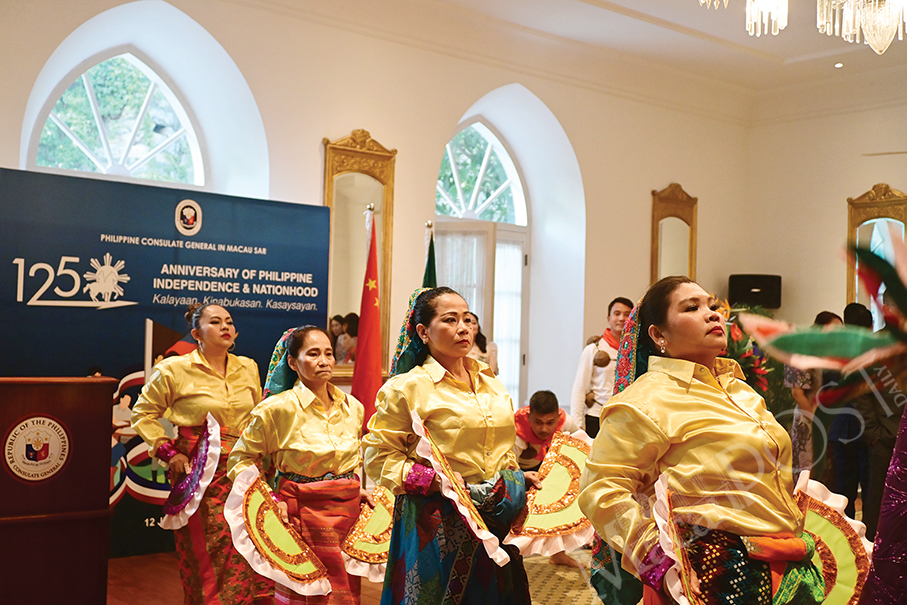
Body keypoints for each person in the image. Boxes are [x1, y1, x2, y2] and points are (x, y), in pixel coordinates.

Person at [578, 277, 824, 605]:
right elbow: (600, 491)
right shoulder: (645, 400)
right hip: (713, 576)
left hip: (785, 566)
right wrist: (657, 559)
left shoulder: (740, 390)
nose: (712, 314)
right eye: (692, 308)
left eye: (712, 305)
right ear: (659, 335)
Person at [362, 287, 538, 605]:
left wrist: (517, 476)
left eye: (467, 319)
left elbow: (500, 446)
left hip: (496, 515)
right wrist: (431, 480)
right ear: (423, 332)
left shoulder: (490, 381)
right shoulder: (408, 387)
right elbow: (378, 456)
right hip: (438, 518)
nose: (463, 328)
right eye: (450, 320)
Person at [131, 303, 272, 605]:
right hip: (200, 471)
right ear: (196, 334)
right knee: (212, 545)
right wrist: (168, 452)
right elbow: (142, 414)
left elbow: (256, 416)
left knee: (248, 541)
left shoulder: (247, 366)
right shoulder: (174, 369)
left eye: (229, 322)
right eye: (216, 322)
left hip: (244, 469)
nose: (225, 327)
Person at [228, 326, 371, 605]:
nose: (324, 361)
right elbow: (241, 458)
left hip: (346, 512)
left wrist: (356, 488)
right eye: (313, 354)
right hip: (300, 511)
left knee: (345, 592)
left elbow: (351, 460)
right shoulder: (276, 409)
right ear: (293, 362)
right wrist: (268, 501)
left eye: (328, 353)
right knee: (307, 592)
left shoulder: (353, 407)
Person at [513, 389, 582, 568]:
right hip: (520, 471)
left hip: (550, 467)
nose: (544, 429)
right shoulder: (516, 428)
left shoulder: (567, 423)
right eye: (538, 422)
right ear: (529, 417)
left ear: (558, 417)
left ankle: (558, 554)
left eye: (550, 422)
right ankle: (512, 556)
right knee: (515, 509)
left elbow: (581, 448)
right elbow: (508, 466)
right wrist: (521, 479)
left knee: (561, 504)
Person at [785, 311, 843, 484]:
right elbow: (797, 393)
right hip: (808, 418)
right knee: (807, 474)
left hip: (826, 419)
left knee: (826, 476)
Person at [570, 297, 633, 437]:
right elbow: (579, 388)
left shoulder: (635, 351)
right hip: (597, 417)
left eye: (627, 314)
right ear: (609, 318)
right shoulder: (593, 349)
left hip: (627, 418)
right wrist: (577, 425)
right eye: (617, 313)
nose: (621, 318)